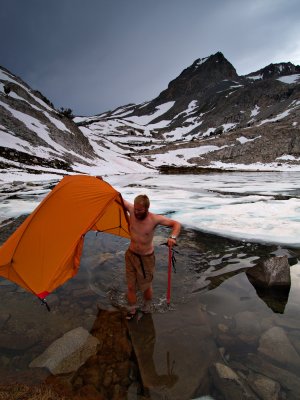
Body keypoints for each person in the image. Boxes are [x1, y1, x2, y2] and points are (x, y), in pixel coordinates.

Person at [123, 194, 181, 319]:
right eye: (135, 209)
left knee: (146, 286)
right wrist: (103, 183)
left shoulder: (154, 219)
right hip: (130, 254)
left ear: (147, 209)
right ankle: (132, 309)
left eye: (140, 210)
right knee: (130, 286)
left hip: (146, 258)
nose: (136, 212)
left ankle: (147, 306)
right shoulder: (131, 209)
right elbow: (117, 197)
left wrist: (172, 237)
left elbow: (176, 224)